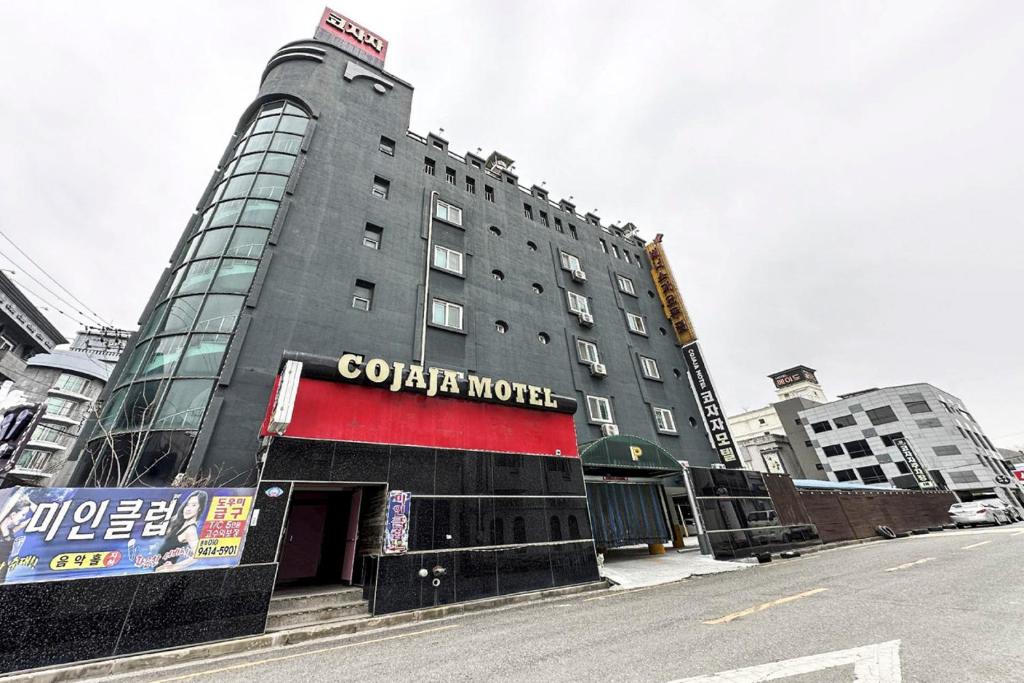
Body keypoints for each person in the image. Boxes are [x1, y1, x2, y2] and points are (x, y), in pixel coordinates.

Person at [154, 490, 208, 572]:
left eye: (194, 505)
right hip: (158, 568)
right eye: (187, 504)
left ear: (200, 508)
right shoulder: (180, 522)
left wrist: (175, 567)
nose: (188, 509)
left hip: (163, 571)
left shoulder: (190, 530)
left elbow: (198, 555)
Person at [0, 494, 35, 583]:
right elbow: (9, 504)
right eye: (23, 514)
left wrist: (29, 501)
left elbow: (38, 515)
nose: (24, 517)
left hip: (2, 571)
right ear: (13, 514)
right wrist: (19, 493)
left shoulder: (13, 531)